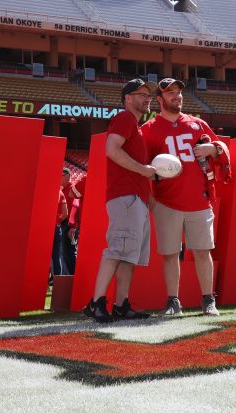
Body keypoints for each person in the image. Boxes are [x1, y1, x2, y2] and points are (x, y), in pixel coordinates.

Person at [141, 77, 229, 317]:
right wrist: (149, 196)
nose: (176, 96)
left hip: (198, 199)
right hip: (166, 201)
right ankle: (173, 302)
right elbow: (141, 166)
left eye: (178, 92)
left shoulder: (197, 124)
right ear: (159, 100)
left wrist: (213, 148)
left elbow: (221, 147)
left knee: (203, 251)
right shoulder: (148, 130)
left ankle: (208, 300)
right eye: (170, 93)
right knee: (170, 254)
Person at [83, 78, 158, 322]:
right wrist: (144, 170)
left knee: (129, 255)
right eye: (142, 94)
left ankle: (121, 305)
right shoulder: (125, 118)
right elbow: (111, 149)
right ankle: (96, 303)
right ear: (128, 98)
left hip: (134, 197)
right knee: (117, 250)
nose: (147, 98)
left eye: (149, 94)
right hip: (126, 197)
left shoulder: (134, 125)